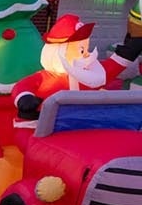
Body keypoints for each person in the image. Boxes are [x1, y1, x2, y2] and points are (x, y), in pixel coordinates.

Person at [12, 13, 142, 123]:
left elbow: (112, 67)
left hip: (81, 125)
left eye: (86, 49)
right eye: (81, 50)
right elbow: (22, 86)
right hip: (42, 127)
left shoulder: (92, 75)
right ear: (59, 52)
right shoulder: (45, 78)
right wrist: (25, 98)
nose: (86, 54)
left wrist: (130, 49)